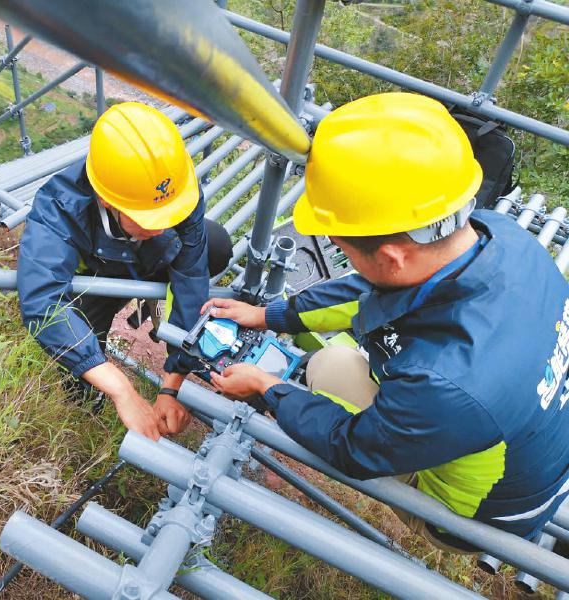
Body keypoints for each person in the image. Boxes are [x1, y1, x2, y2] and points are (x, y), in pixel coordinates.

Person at [206, 93, 569, 552]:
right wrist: (268, 315)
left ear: (394, 257)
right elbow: (369, 291)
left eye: (345, 250)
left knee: (331, 367)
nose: (346, 260)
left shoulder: (445, 387)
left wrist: (266, 387)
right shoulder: (504, 237)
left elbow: (351, 448)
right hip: (537, 449)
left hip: (479, 519)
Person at [17, 101, 233, 441]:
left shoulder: (171, 187)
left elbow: (191, 278)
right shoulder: (60, 207)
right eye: (149, 219)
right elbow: (43, 300)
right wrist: (121, 389)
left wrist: (172, 385)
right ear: (106, 200)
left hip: (153, 258)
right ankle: (87, 412)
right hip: (100, 277)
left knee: (215, 245)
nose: (161, 226)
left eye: (168, 216)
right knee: (79, 364)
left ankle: (156, 312)